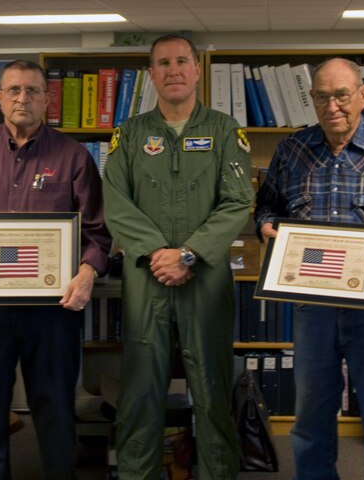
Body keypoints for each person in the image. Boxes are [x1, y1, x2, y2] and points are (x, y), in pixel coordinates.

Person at [255, 58, 364, 480]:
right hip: (313, 306)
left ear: (363, 95)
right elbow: (267, 206)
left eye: (341, 95)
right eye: (322, 97)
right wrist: (265, 225)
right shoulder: (292, 150)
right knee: (311, 416)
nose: (332, 106)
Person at [0, 59, 111, 479]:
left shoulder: (73, 157)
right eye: (14, 90)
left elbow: (97, 233)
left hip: (52, 308)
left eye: (32, 90)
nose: (22, 98)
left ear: (47, 99)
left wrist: (86, 274)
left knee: (54, 405)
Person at [102, 33, 254, 480]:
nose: (173, 70)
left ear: (196, 70)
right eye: (163, 63)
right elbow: (116, 203)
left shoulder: (225, 131)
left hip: (205, 276)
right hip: (146, 277)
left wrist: (188, 254)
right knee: (140, 388)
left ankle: (217, 472)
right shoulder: (130, 134)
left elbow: (237, 202)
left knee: (212, 386)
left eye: (181, 61)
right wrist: (158, 253)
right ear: (151, 74)